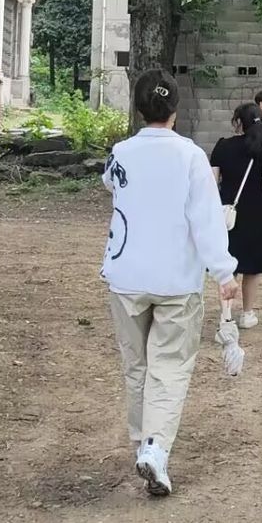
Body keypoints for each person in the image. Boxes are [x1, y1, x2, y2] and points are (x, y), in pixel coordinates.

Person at [102, 68, 238, 497]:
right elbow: (207, 219)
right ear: (175, 110)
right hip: (176, 279)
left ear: (138, 108)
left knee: (136, 367)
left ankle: (142, 443)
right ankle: (155, 448)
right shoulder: (190, 156)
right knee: (170, 366)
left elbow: (110, 183)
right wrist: (224, 271)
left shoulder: (121, 152)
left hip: (125, 275)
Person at [210, 103, 262, 329]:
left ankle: (226, 315)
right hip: (256, 213)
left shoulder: (222, 146)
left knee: (228, 266)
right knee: (253, 267)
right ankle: (247, 313)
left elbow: (211, 182)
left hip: (227, 214)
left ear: (238, 122)